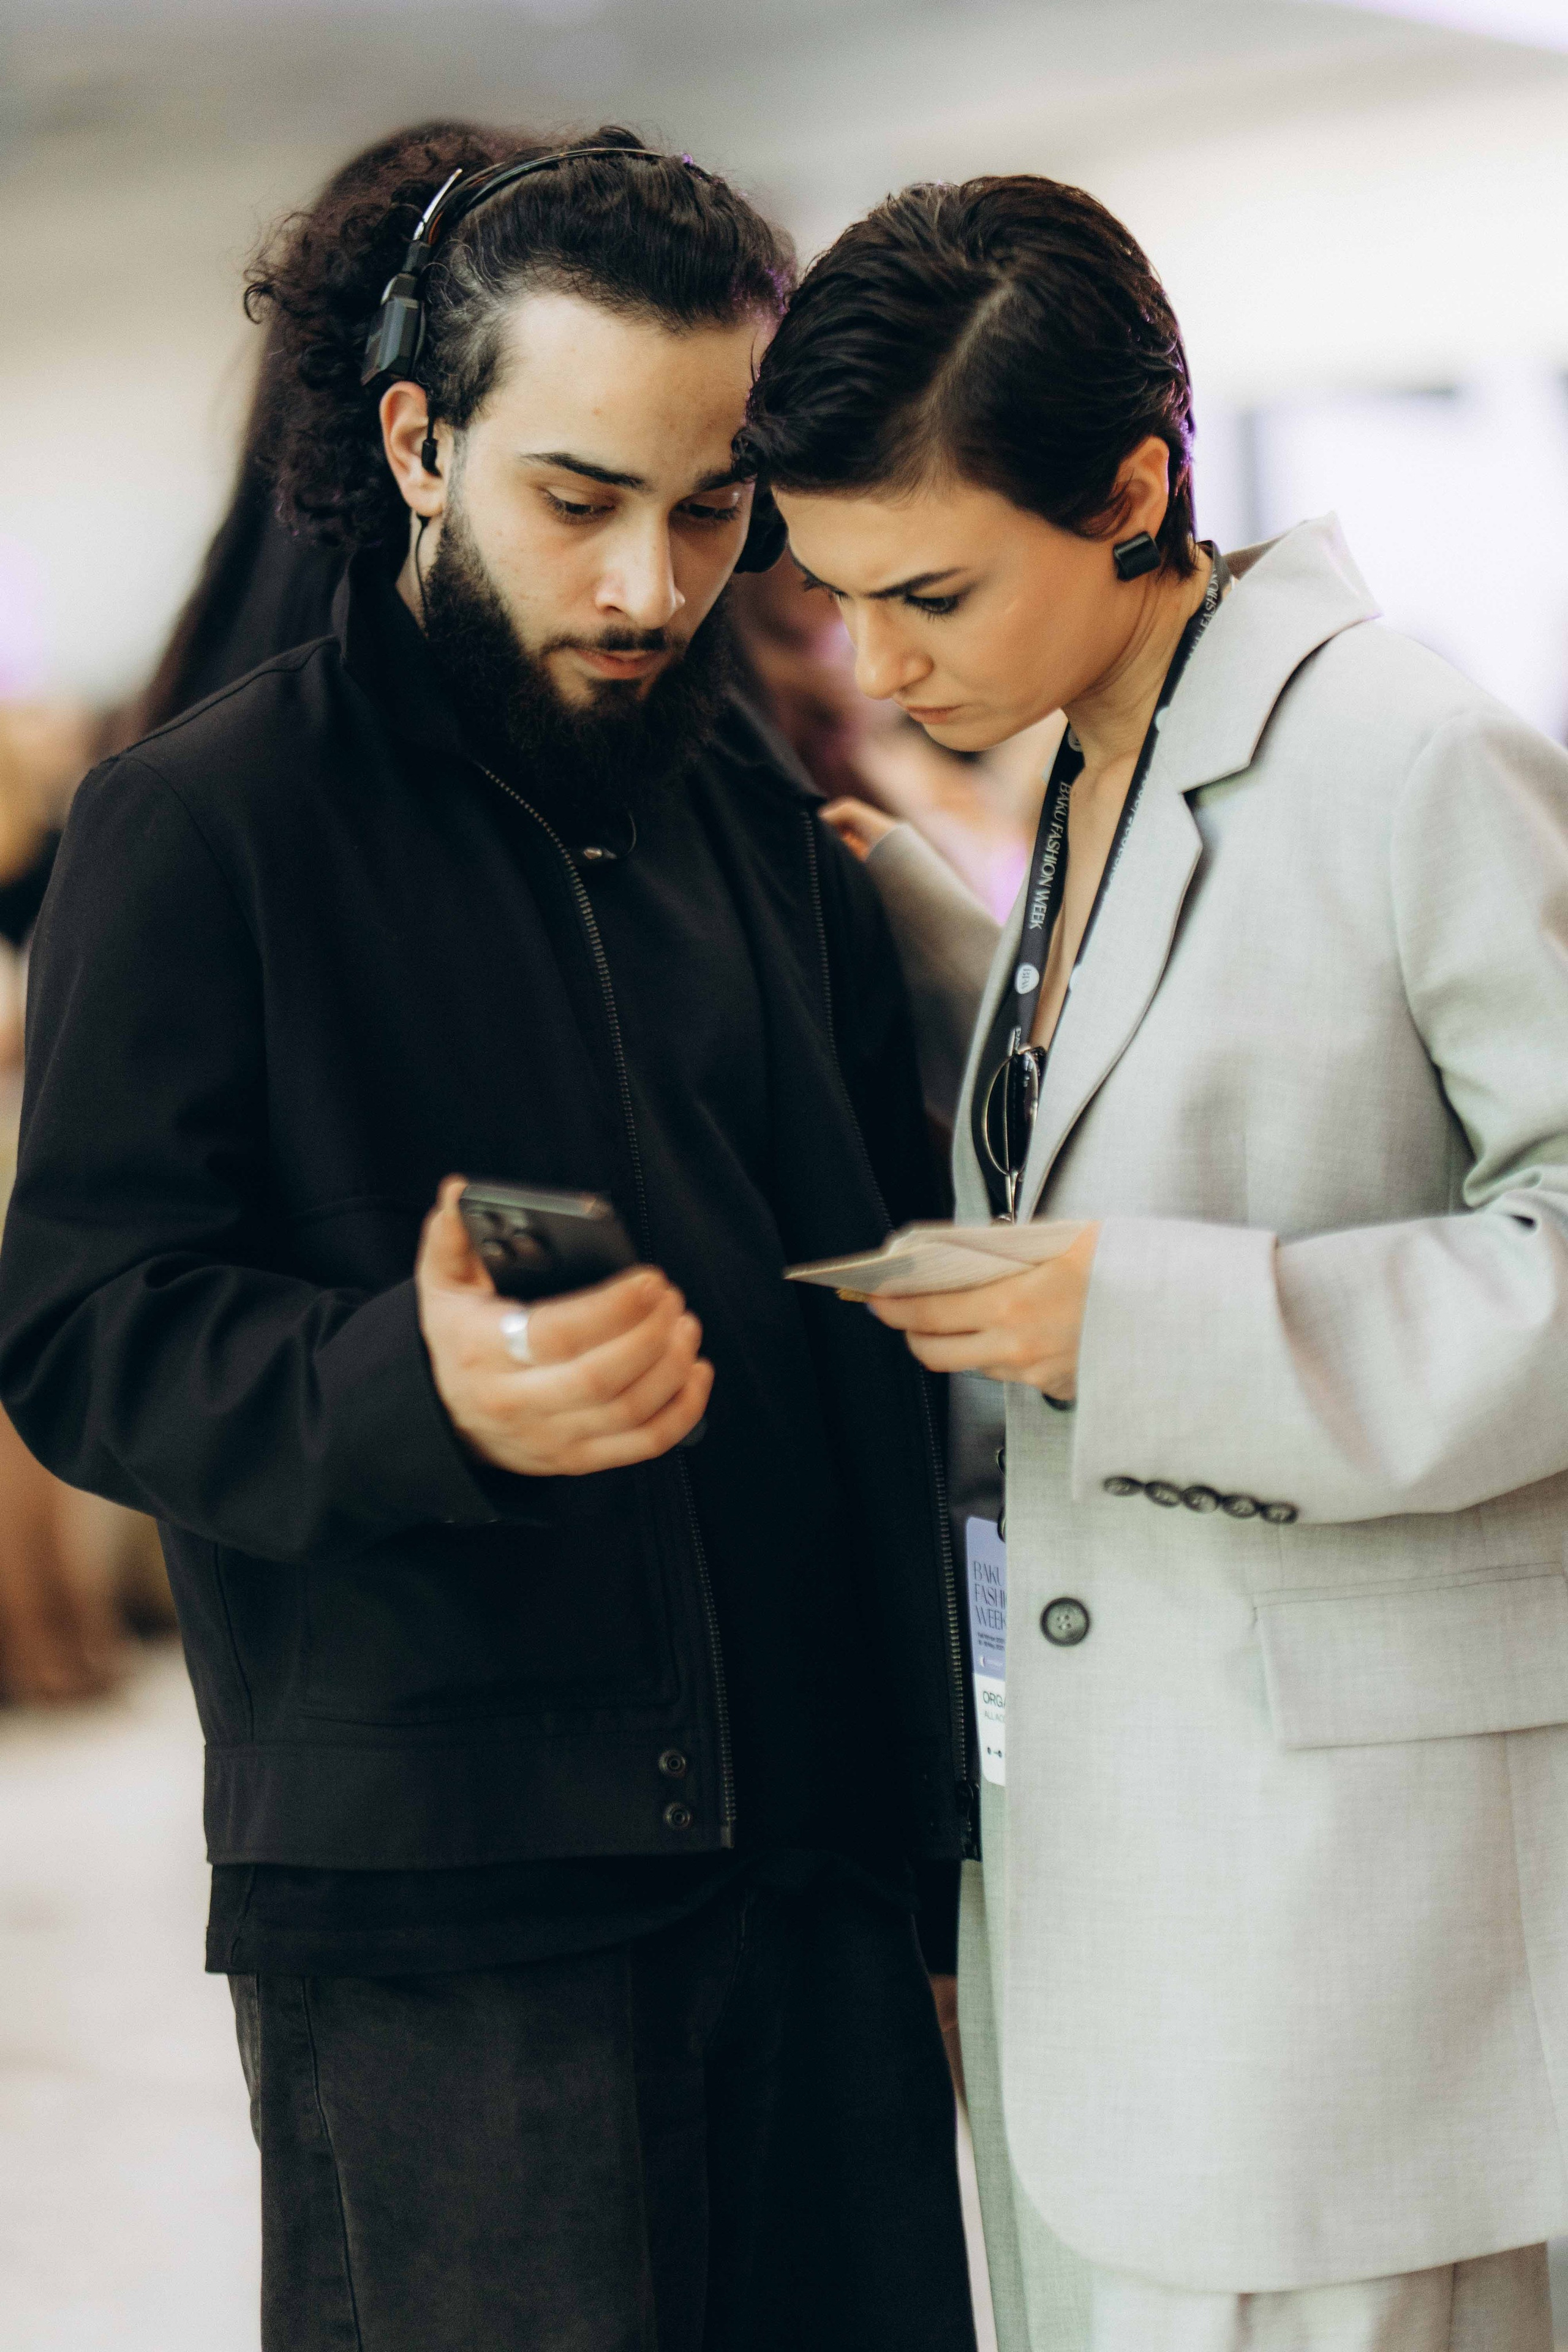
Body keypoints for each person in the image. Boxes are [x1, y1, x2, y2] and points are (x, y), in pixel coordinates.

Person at [0, 127, 979, 2352]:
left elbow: (865, 1298)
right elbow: (83, 1329)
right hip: (455, 1924)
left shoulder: (747, 808)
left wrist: (927, 1847)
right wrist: (399, 1381)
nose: (650, 585)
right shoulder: (199, 827)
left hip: (812, 1882)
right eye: (580, 500)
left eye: (713, 510)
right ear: (421, 447)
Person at [739, 172, 1568, 2352]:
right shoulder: (1093, 767)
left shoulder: (1410, 752)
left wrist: (1170, 1324)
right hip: (1118, 1846)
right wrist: (942, 956)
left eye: (928, 593)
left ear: (1135, 487)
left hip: (1347, 1896)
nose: (878, 661)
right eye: (831, 599)